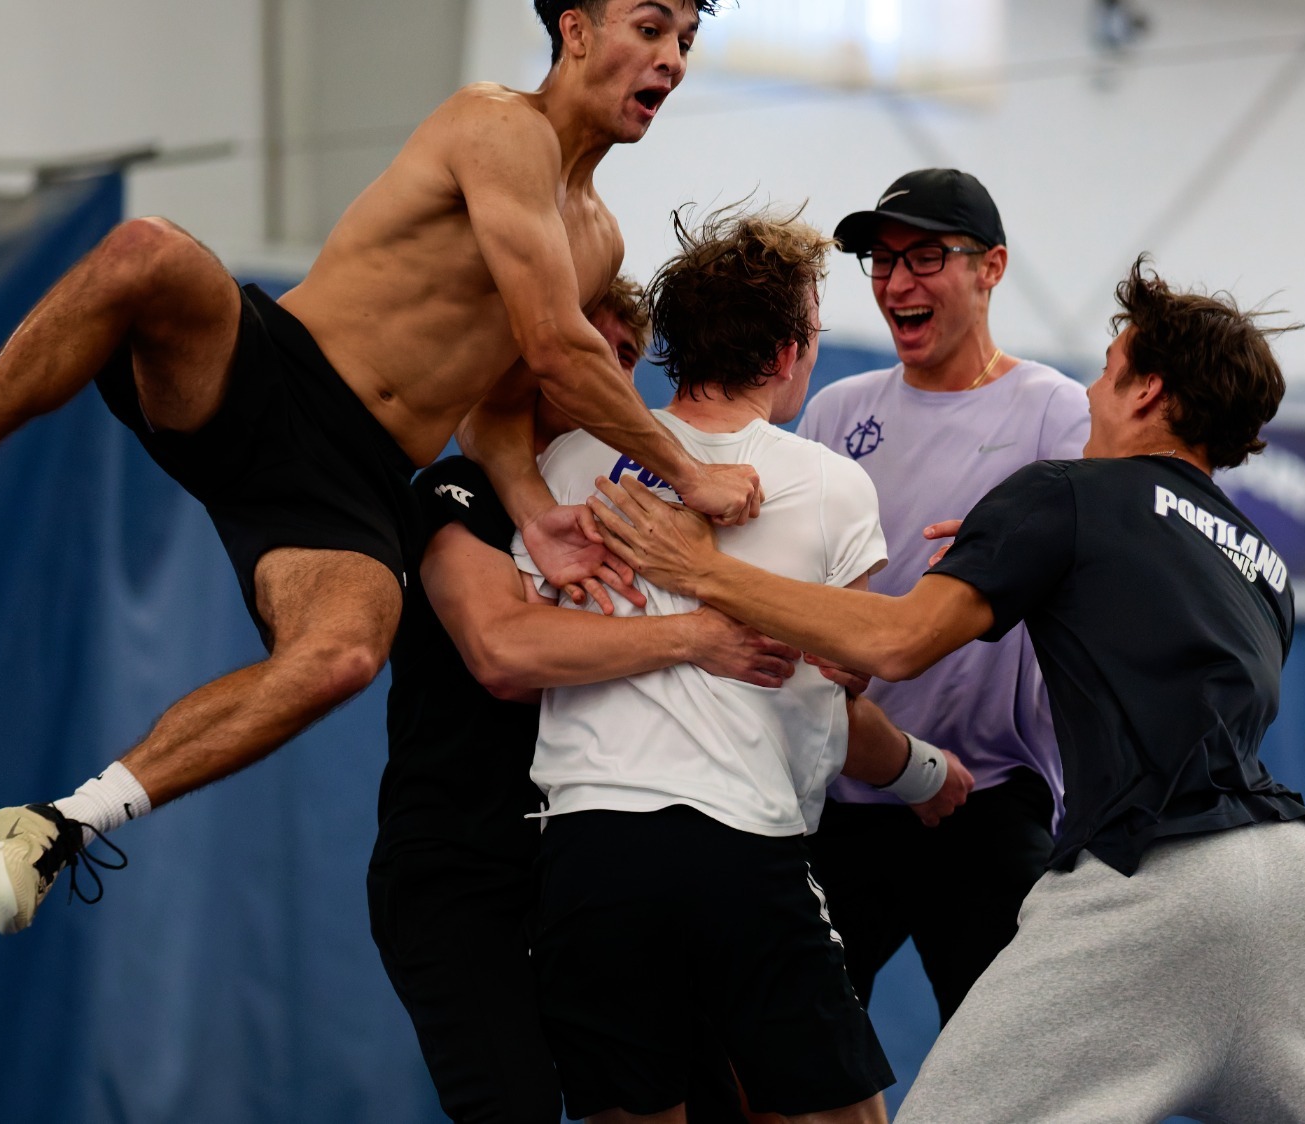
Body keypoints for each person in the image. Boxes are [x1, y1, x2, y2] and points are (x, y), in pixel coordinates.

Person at [0, 0, 762, 935]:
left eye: (686, 39)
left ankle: (60, 827)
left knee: (344, 654)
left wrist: (528, 506)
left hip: (348, 485)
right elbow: (561, 350)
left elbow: (498, 400)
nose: (672, 59)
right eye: (651, 27)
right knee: (149, 252)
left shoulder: (597, 241)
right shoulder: (496, 124)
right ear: (576, 32)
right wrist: (690, 473)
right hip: (263, 378)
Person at [588, 258, 1305, 1124]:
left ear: (1148, 390)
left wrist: (705, 571)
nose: (1090, 394)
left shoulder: (1068, 493)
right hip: (1304, 892)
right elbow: (1143, 625)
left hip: (1151, 882)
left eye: (1108, 368)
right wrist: (1014, 560)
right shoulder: (1263, 566)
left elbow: (895, 644)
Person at [519, 205, 970, 1124]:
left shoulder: (571, 461)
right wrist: (922, 764)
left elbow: (524, 647)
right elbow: (852, 679)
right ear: (790, 351)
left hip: (587, 845)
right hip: (743, 846)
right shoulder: (833, 483)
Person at [369, 279, 791, 1124]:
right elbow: (502, 654)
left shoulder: (634, 510)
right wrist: (693, 638)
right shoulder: (457, 493)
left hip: (591, 869)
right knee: (512, 1106)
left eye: (623, 357)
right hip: (462, 870)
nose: (598, 369)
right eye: (579, 347)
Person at [792, 168, 1087, 1023]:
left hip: (991, 798)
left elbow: (1102, 573)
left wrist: (1018, 556)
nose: (897, 284)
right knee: (784, 1061)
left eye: (926, 258)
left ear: (991, 268)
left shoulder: (1055, 414)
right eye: (882, 263)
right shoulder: (836, 412)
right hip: (845, 790)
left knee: (1017, 1065)